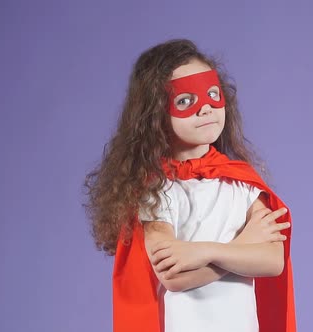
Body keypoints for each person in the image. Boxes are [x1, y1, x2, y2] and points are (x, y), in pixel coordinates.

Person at [84, 39, 296, 332]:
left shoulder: (242, 184)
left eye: (212, 94)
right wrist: (242, 246)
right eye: (185, 101)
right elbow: (174, 277)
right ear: (156, 114)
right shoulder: (156, 192)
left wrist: (204, 252)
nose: (206, 108)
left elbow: (273, 261)